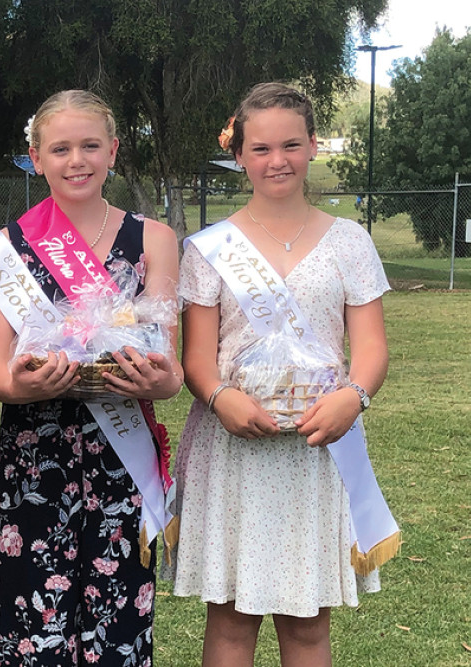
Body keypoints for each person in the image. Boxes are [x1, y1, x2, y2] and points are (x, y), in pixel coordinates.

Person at [168, 82, 397, 666]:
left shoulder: (350, 241)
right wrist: (219, 398)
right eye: (262, 148)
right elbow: (196, 355)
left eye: (291, 145)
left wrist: (355, 397)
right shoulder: (208, 248)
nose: (278, 160)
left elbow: (371, 347)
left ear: (313, 146)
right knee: (230, 618)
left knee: (307, 622)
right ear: (238, 153)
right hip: (235, 446)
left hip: (321, 445)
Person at [0, 90, 182, 666]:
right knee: (32, 620)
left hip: (122, 455)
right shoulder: (4, 251)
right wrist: (25, 384)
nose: (77, 160)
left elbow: (170, 372)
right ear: (34, 157)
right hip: (33, 453)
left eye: (91, 145)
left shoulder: (154, 241)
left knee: (120, 621)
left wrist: (153, 378)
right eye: (60, 148)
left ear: (113, 151)